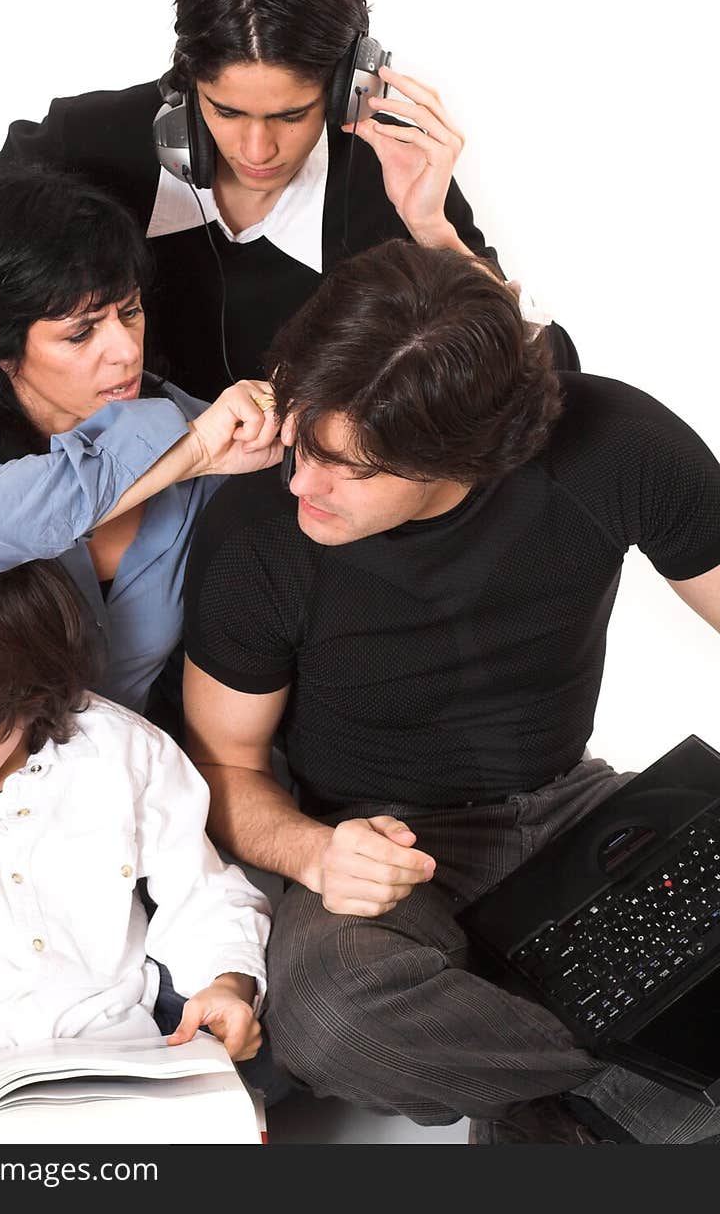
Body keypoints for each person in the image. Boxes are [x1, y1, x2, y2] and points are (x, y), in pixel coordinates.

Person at [181, 239, 720, 1144]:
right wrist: (315, 852)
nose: (299, 479)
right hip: (379, 842)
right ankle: (662, 1074)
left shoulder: (612, 443)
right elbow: (221, 762)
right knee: (332, 1015)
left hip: (579, 807)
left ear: (464, 457)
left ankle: (569, 1105)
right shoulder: (259, 533)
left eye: (347, 468)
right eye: (304, 436)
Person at [0, 0, 579, 402]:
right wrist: (15, 390)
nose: (256, 150)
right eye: (226, 111)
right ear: (186, 85)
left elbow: (551, 376)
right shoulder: (87, 141)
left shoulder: (383, 179)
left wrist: (432, 230)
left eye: (290, 116)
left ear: (345, 89)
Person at [0, 550, 273, 1145]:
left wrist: (230, 984)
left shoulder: (125, 753)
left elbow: (203, 894)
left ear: (31, 693)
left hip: (96, 1069)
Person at [0, 165, 280, 725]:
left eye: (130, 313)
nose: (125, 352)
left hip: (113, 787)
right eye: (81, 332)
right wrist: (186, 456)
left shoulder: (198, 426)